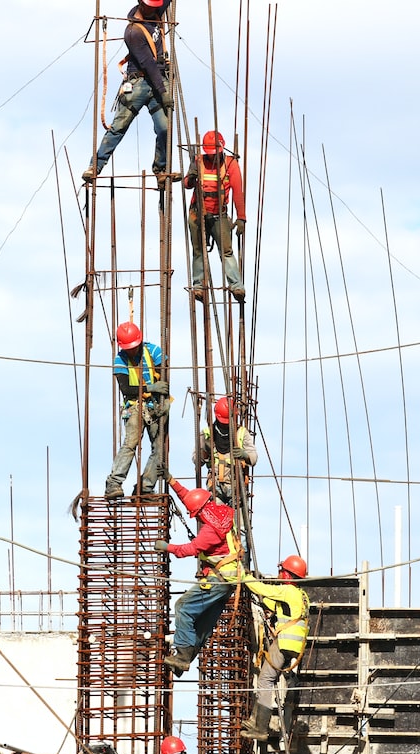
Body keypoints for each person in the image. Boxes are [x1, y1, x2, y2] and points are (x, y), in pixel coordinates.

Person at [158, 476, 245, 674]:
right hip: (228, 581)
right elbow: (191, 498)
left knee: (183, 607)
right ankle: (185, 657)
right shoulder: (221, 513)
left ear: (200, 512)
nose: (195, 518)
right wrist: (171, 481)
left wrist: (167, 547)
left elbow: (190, 549)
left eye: (196, 515)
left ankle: (182, 655)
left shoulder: (210, 531)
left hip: (218, 579)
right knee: (203, 623)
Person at [82, 0, 175, 183]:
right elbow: (148, 64)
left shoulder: (155, 11)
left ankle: (161, 169)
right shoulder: (133, 32)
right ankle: (96, 166)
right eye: (150, 6)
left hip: (158, 81)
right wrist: (163, 92)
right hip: (140, 82)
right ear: (141, 3)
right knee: (119, 127)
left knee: (165, 129)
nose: (154, 9)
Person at [240, 556, 310, 743]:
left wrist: (244, 576)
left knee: (265, 679)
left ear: (287, 574)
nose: (279, 574)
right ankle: (255, 720)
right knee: (268, 678)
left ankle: (260, 727)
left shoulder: (287, 590)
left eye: (282, 571)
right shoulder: (301, 595)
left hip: (285, 642)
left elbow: (263, 589)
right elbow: (276, 605)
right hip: (294, 646)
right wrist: (263, 604)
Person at [106, 321, 168, 498]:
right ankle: (114, 483)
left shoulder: (154, 351)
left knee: (160, 448)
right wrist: (150, 388)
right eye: (128, 348)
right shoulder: (120, 360)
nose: (132, 351)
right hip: (135, 406)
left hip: (155, 407)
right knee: (130, 444)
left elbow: (164, 377)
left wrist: (163, 398)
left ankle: (145, 487)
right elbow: (126, 389)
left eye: (134, 347)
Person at [183, 130, 246, 301]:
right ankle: (198, 286)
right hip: (198, 214)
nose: (212, 157)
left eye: (215, 153)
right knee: (198, 251)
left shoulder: (231, 164)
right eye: (210, 154)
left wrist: (241, 218)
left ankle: (236, 285)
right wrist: (191, 176)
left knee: (226, 251)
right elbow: (186, 184)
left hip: (219, 215)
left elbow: (238, 191)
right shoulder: (198, 161)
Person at [193, 395, 257, 506]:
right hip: (216, 487)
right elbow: (196, 461)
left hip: (236, 486)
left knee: (239, 522)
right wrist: (205, 453)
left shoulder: (241, 433)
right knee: (218, 520)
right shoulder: (207, 434)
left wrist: (244, 455)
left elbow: (254, 458)